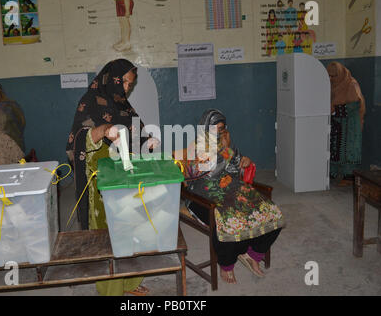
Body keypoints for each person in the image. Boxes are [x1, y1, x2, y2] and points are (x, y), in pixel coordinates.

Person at [66, 59, 158, 296]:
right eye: (125, 82)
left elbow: (135, 129)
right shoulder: (89, 101)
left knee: (133, 227)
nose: (127, 88)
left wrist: (146, 140)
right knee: (108, 237)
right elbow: (78, 139)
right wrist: (104, 130)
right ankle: (111, 291)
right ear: (112, 78)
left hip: (126, 174)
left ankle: (130, 283)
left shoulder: (122, 104)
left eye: (131, 84)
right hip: (100, 179)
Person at [179, 109, 284, 284]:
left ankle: (253, 254)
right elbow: (196, 175)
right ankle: (226, 264)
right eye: (215, 129)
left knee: (270, 211)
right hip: (201, 195)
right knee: (228, 218)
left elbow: (235, 171)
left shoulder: (226, 143)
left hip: (230, 188)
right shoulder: (194, 147)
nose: (219, 132)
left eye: (222, 128)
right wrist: (219, 153)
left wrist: (243, 160)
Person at [327, 62, 366, 185]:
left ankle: (349, 176)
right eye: (329, 76)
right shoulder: (332, 85)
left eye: (334, 76)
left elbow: (354, 105)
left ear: (341, 74)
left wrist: (335, 109)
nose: (331, 79)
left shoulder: (351, 85)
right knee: (335, 147)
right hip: (338, 123)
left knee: (348, 149)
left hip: (350, 124)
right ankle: (333, 172)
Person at [0, 83, 26, 152]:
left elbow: (22, 122)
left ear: (0, 92)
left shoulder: (12, 105)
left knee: (20, 162)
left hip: (14, 143)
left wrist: (15, 135)